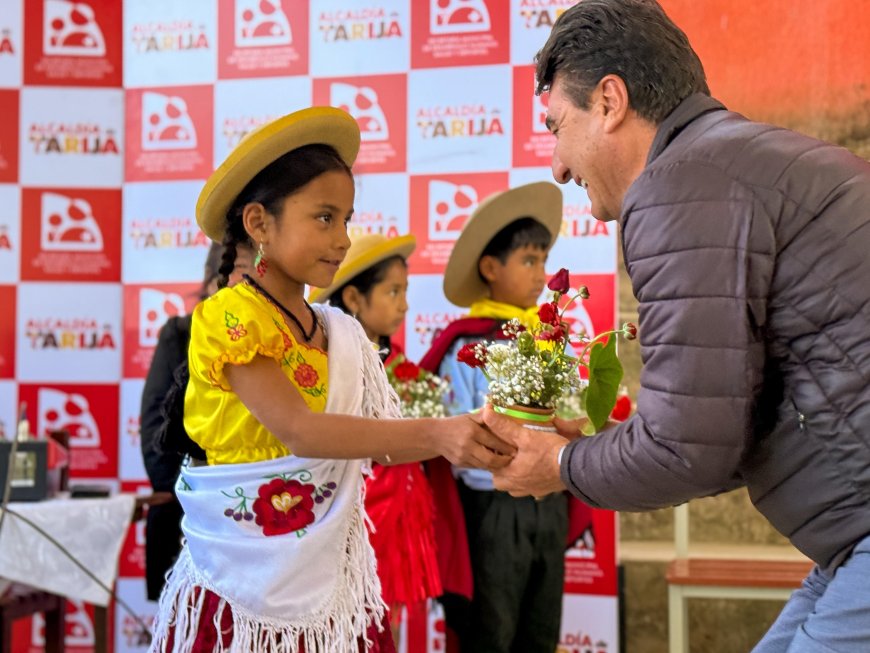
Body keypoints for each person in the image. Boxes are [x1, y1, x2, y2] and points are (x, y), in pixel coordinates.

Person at [485, 1, 870, 651]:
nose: (556, 165)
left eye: (556, 127)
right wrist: (593, 451)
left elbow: (686, 448)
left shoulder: (677, 184)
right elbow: (718, 432)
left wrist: (559, 462)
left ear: (609, 100)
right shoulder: (735, 159)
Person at [148, 106, 515, 653]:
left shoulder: (339, 331)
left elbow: (383, 444)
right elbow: (301, 431)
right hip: (241, 588)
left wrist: (490, 428)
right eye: (324, 218)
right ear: (258, 224)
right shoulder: (230, 318)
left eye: (346, 218)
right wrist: (440, 434)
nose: (343, 239)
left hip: (335, 588)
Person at [419, 181, 568, 653]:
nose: (541, 274)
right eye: (528, 261)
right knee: (492, 629)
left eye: (543, 261)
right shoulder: (467, 346)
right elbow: (458, 429)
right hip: (494, 509)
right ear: (490, 267)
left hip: (549, 502)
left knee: (542, 628)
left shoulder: (549, 340)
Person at [309, 232, 443, 646]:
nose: (404, 304)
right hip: (361, 512)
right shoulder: (329, 366)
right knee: (356, 619)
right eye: (393, 291)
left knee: (389, 620)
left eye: (405, 291)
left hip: (403, 512)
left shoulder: (403, 366)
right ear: (353, 298)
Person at [139, 242, 252, 602]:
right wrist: (201, 498)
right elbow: (156, 433)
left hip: (257, 524)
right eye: (241, 269)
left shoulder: (274, 341)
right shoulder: (179, 333)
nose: (249, 282)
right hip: (189, 516)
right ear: (211, 279)